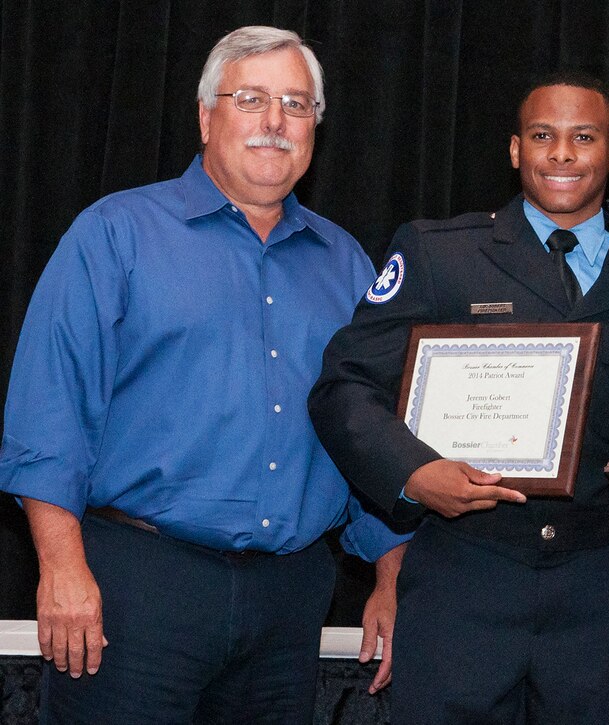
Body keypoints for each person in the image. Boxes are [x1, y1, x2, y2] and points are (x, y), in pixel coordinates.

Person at [309, 71, 609, 724]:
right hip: (463, 586)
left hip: (598, 598)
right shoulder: (442, 255)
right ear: (515, 149)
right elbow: (343, 388)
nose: (561, 153)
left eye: (584, 137)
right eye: (542, 136)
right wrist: (414, 472)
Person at [0, 26, 409, 723]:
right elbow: (49, 409)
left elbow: (376, 432)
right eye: (251, 98)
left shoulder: (347, 264)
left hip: (290, 599)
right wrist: (60, 567)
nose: (275, 122)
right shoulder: (115, 233)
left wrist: (394, 575)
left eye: (296, 103)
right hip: (139, 586)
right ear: (204, 115)